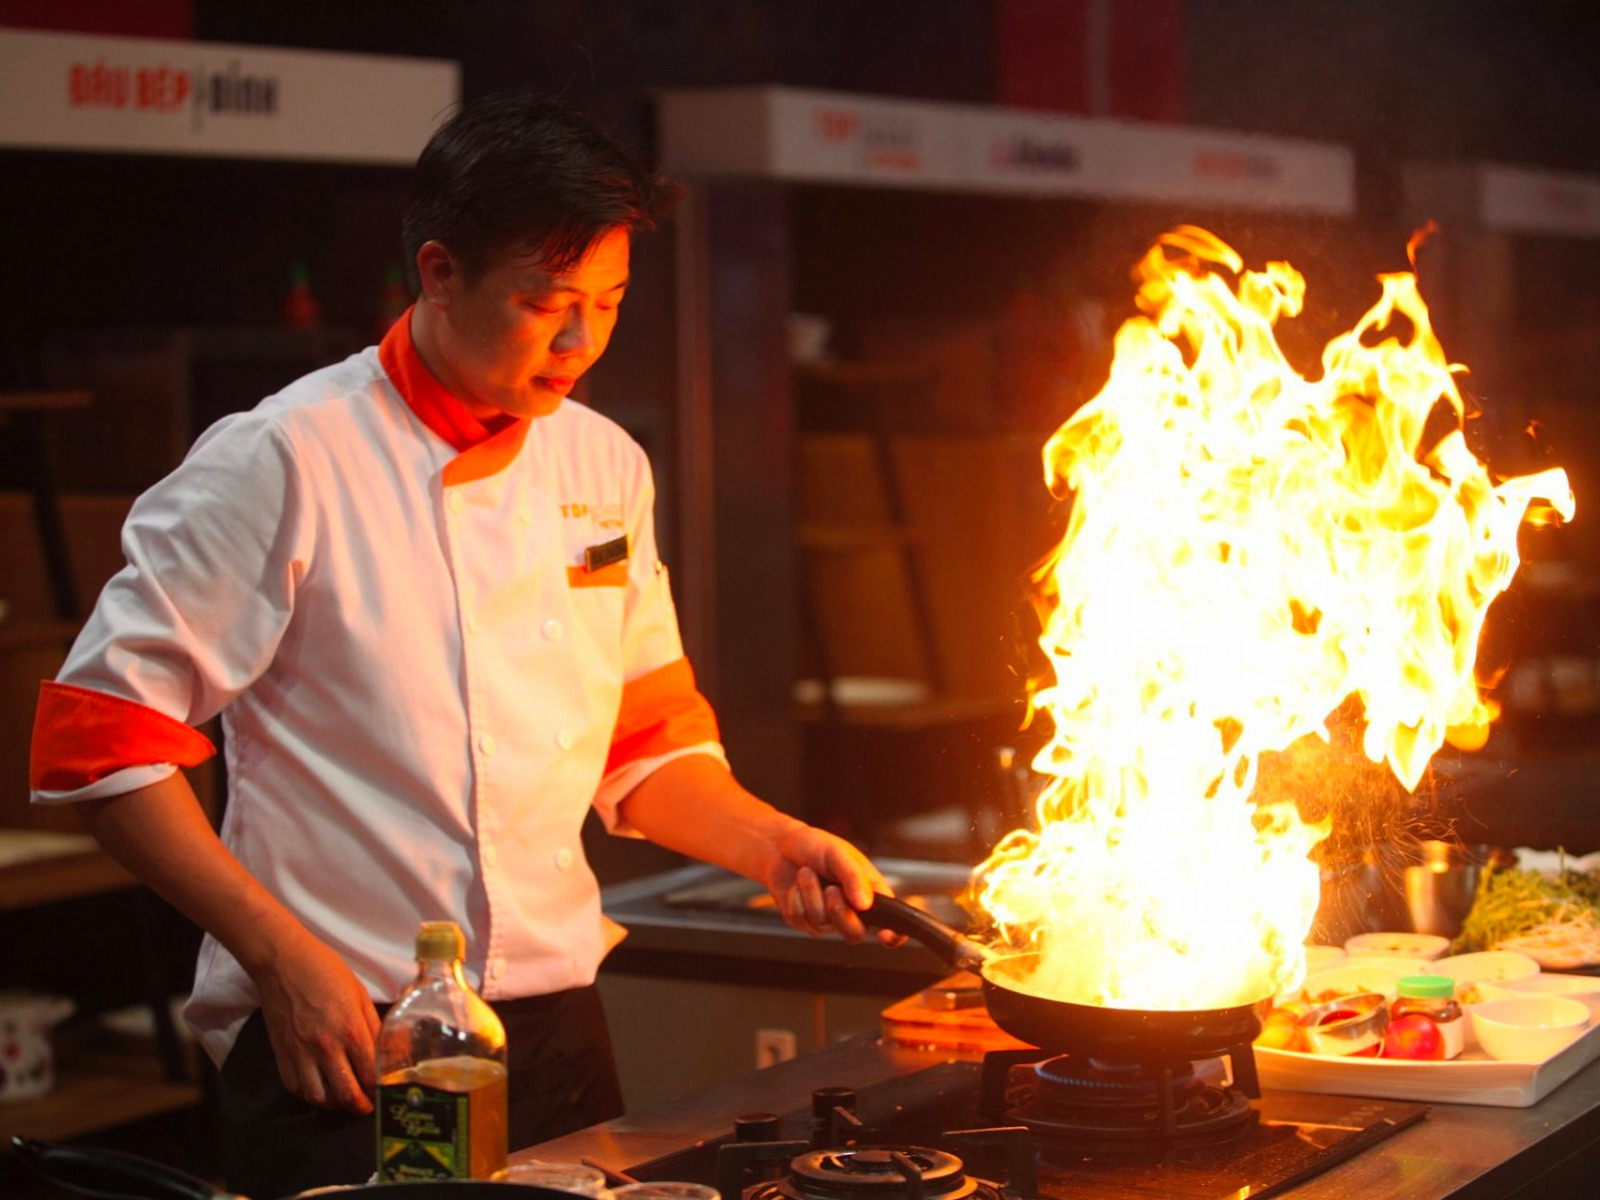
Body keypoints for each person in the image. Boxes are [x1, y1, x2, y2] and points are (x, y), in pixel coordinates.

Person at [29, 92, 896, 1196]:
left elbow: (645, 741)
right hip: (347, 1031)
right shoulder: (286, 458)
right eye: (546, 304)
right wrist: (277, 954)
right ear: (437, 273)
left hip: (557, 1034)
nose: (582, 341)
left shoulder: (603, 465)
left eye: (612, 301)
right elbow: (98, 746)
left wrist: (776, 847)